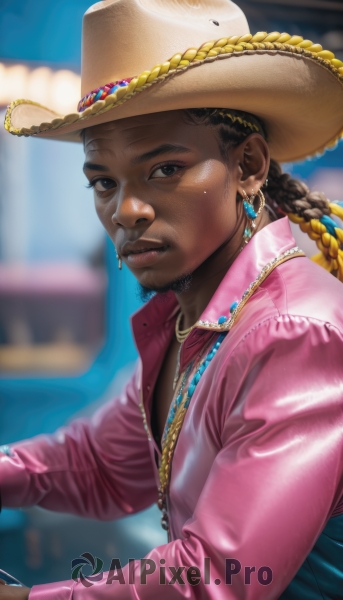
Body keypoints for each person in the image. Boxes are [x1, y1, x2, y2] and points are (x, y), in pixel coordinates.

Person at [1, 0, 343, 598]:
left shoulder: (293, 333)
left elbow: (216, 577)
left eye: (163, 169)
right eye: (104, 181)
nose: (126, 210)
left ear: (250, 165)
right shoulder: (195, 321)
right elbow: (100, 465)